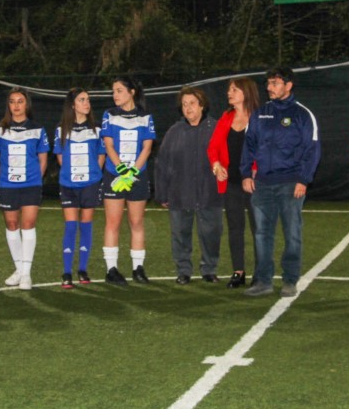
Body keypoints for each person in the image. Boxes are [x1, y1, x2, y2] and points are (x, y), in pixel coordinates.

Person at [241, 67, 321, 298]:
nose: (269, 87)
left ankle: (289, 280)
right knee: (262, 234)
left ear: (288, 85)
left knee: (292, 233)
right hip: (263, 184)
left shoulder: (303, 115)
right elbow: (249, 145)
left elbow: (312, 150)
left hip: (291, 183)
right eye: (268, 83)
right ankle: (263, 281)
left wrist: (303, 179)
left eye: (275, 83)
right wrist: (246, 173)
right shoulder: (259, 114)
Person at [156, 87, 223, 284]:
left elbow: (226, 159)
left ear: (202, 105)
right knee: (180, 234)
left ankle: (209, 269)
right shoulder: (174, 131)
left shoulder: (217, 128)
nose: (188, 108)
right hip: (180, 193)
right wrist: (162, 193)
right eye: (184, 104)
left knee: (211, 233)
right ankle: (183, 271)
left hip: (209, 193)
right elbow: (162, 163)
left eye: (192, 103)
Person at [0, 88, 49, 291]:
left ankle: (26, 275)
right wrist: (4, 179)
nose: (16, 105)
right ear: (8, 105)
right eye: (12, 102)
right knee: (12, 224)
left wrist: (34, 179)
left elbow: (42, 160)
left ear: (26, 105)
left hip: (31, 184)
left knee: (28, 224)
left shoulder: (38, 129)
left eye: (20, 101)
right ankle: (19, 269)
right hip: (7, 185)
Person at [100, 76, 156, 285]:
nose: (115, 95)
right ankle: (111, 269)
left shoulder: (146, 117)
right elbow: (109, 145)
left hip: (137, 175)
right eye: (113, 91)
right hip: (115, 175)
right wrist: (122, 169)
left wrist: (132, 172)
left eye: (119, 90)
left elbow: (147, 148)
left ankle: (138, 268)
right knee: (112, 222)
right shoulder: (109, 115)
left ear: (132, 92)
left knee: (137, 222)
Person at [208, 77, 260, 288]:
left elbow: (266, 148)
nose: (230, 93)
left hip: (256, 184)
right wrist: (216, 166)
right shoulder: (226, 117)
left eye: (234, 89)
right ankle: (238, 272)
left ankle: (261, 272)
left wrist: (256, 172)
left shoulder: (259, 117)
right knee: (235, 228)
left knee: (259, 229)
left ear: (246, 92)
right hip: (232, 184)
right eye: (229, 90)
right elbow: (213, 148)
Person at [53, 87, 104, 288]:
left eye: (88, 99)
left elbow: (101, 155)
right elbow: (59, 157)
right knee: (71, 226)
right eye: (82, 100)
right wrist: (71, 174)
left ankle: (82, 270)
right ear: (72, 104)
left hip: (90, 184)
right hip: (68, 184)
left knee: (86, 224)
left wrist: (93, 175)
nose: (86, 103)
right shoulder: (61, 129)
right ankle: (66, 273)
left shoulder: (97, 129)